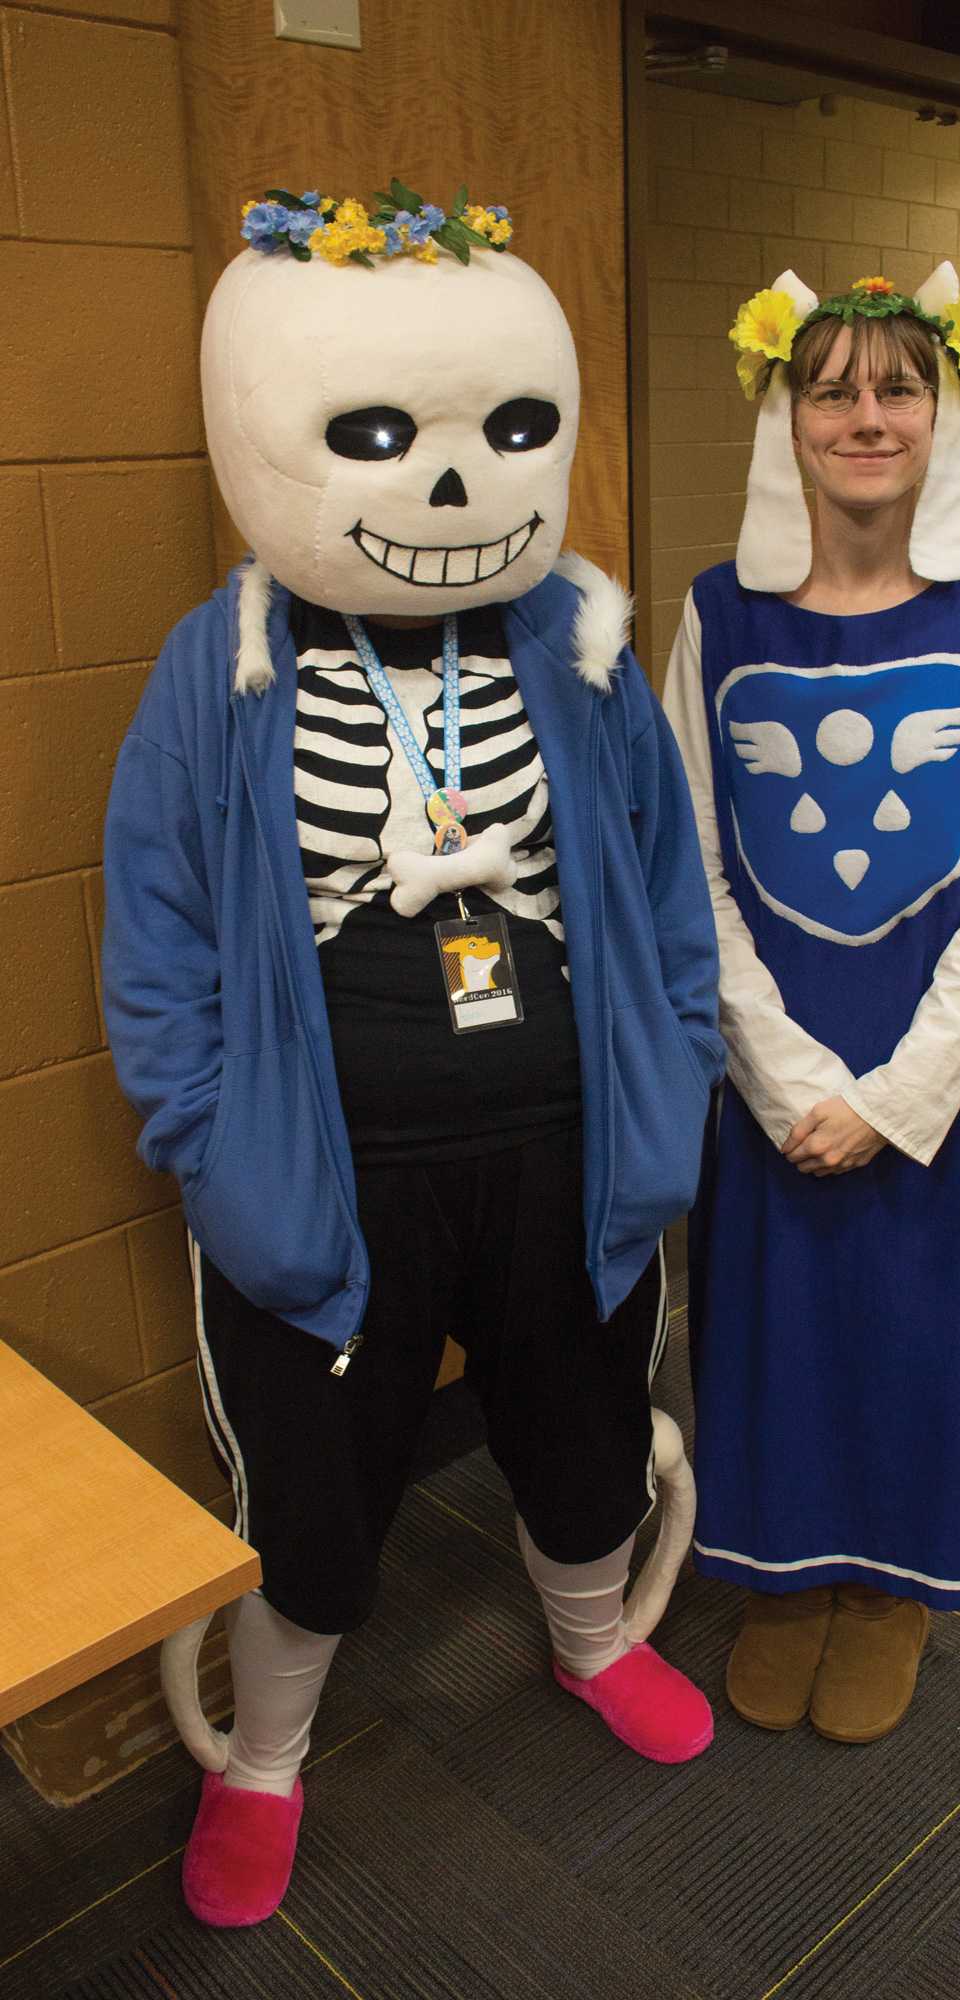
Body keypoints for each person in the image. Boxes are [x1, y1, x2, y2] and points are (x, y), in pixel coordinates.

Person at [102, 182, 724, 1928]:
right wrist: (212, 1143)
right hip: (321, 1165)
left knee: (583, 1429)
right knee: (315, 1492)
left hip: (567, 1143)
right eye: (377, 437)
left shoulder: (579, 644)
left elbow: (670, 900)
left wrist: (666, 1094)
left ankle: (591, 1643)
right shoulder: (213, 672)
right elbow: (155, 941)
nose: (449, 488)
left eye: (503, 432)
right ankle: (269, 1758)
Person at [661, 264, 960, 1745]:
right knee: (764, 1322)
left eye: (897, 386)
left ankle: (888, 1588)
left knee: (908, 1322)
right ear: (789, 414)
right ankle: (778, 1580)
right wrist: (780, 1078)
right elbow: (685, 862)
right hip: (767, 1052)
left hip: (927, 1064)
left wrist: (893, 1098)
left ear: (939, 410)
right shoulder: (715, 615)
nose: (865, 416)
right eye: (831, 389)